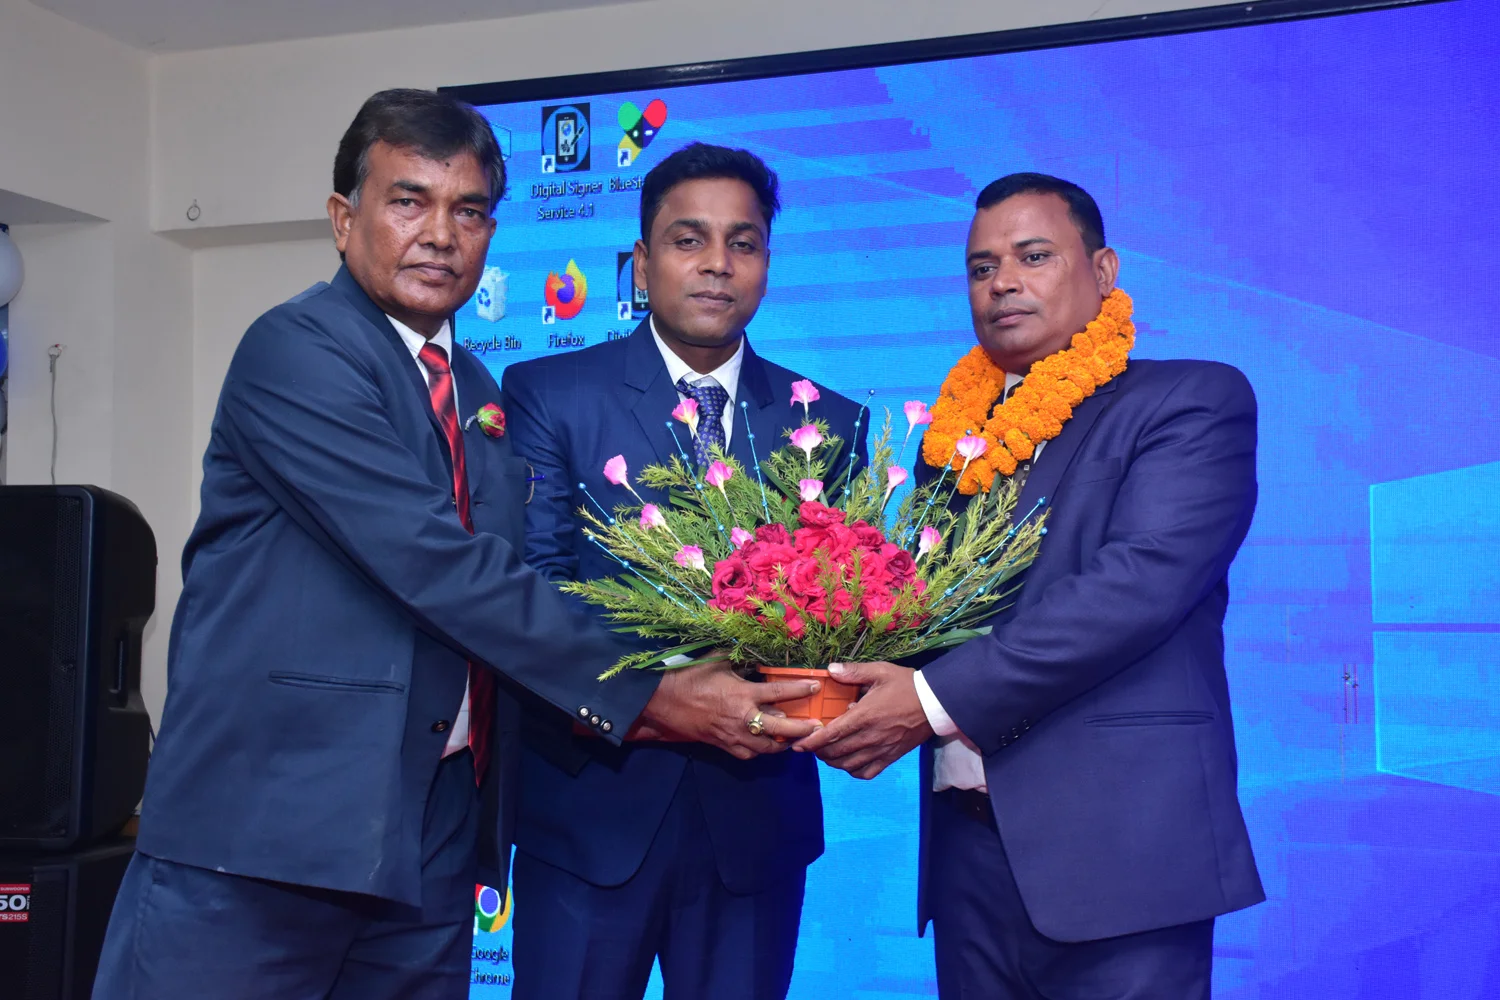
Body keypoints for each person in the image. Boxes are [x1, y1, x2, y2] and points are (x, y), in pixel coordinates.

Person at [92, 92, 818, 1000]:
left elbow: (513, 579)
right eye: (409, 201)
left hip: (425, 841)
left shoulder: (474, 387)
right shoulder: (298, 351)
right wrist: (658, 695)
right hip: (265, 839)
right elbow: (440, 566)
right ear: (343, 219)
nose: (440, 234)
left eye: (468, 211)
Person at [797, 173, 1265, 999]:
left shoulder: (1189, 401)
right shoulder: (953, 447)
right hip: (967, 857)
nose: (1002, 282)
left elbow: (1135, 587)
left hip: (1123, 859)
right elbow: (930, 614)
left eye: (1033, 256)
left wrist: (927, 703)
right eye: (982, 268)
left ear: (1104, 271)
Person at [502, 142, 868, 1000]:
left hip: (757, 825)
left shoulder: (830, 421)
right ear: (641, 263)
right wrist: (667, 700)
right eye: (688, 239)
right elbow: (534, 591)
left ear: (767, 263)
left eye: (743, 243)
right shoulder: (551, 394)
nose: (717, 264)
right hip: (590, 814)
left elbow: (843, 610)